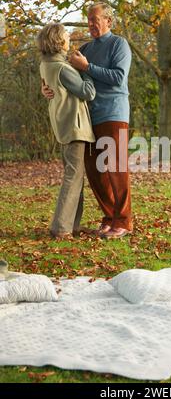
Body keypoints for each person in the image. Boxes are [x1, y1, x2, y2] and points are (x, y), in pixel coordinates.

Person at [42, 2, 133, 239]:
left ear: (108, 21)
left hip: (114, 113)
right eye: (89, 20)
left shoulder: (119, 44)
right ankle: (109, 217)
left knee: (115, 168)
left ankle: (123, 221)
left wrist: (88, 67)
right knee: (95, 172)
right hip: (88, 119)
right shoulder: (85, 48)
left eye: (96, 19)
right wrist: (47, 88)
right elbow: (65, 74)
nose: (91, 24)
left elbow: (118, 78)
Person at [37, 23, 96, 238]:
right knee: (73, 176)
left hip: (62, 126)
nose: (69, 39)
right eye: (66, 36)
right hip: (74, 126)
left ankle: (72, 225)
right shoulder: (63, 69)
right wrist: (85, 70)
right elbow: (87, 93)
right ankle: (61, 227)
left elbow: (50, 87)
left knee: (75, 175)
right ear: (59, 42)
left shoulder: (46, 65)